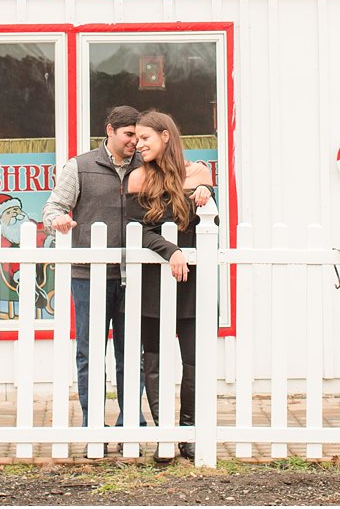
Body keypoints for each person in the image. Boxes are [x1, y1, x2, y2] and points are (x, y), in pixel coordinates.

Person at [41, 105, 143, 427]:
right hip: (88, 275)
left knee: (132, 356)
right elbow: (53, 206)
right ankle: (93, 424)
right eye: (129, 135)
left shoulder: (147, 165)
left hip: (135, 275)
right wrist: (57, 220)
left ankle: (131, 423)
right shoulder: (80, 166)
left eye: (138, 136)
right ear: (110, 130)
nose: (134, 142)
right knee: (90, 353)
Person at [126, 109, 214, 460]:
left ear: (165, 136)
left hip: (191, 284)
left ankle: (188, 434)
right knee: (155, 359)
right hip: (152, 283)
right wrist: (171, 250)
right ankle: (165, 433)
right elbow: (138, 232)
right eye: (135, 138)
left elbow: (209, 228)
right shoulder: (137, 178)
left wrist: (207, 195)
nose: (138, 144)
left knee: (193, 360)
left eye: (145, 138)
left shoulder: (199, 174)